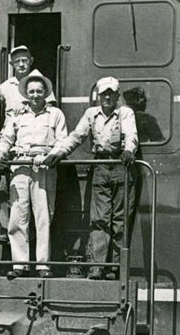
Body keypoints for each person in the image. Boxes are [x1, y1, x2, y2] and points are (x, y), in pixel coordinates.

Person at [43, 76, 138, 280]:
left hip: (122, 166)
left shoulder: (125, 113)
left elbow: (131, 135)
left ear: (117, 95)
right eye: (104, 93)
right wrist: (58, 153)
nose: (107, 97)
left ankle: (115, 266)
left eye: (111, 93)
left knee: (121, 219)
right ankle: (97, 265)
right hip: (101, 166)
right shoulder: (91, 114)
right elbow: (77, 136)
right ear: (98, 96)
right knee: (99, 218)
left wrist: (129, 150)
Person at [0, 72, 67, 279]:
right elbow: (5, 139)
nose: (35, 95)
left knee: (43, 217)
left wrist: (52, 155)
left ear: (45, 94)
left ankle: (43, 265)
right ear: (26, 93)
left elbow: (62, 141)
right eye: (31, 91)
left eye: (39, 91)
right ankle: (20, 264)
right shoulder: (17, 116)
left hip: (44, 168)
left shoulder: (55, 115)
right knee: (18, 216)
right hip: (20, 167)